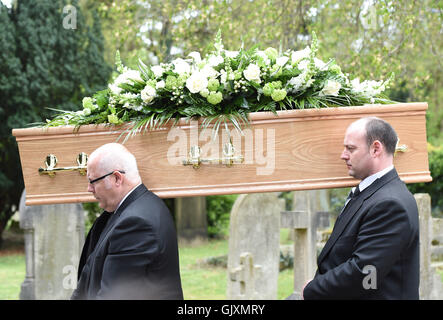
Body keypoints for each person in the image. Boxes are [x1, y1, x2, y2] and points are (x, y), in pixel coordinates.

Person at [302, 117, 419, 300]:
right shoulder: (372, 193)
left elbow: (364, 273)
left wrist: (312, 289)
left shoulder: (390, 204)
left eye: (351, 148)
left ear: (376, 149)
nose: (343, 155)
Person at [71, 143, 183, 300]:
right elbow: (89, 271)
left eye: (93, 181)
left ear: (117, 178)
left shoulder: (136, 224)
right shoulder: (128, 210)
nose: (89, 189)